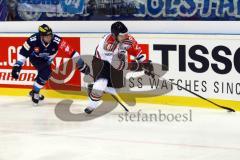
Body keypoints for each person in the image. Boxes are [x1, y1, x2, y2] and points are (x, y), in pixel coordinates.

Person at [85, 21, 154, 114]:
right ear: (114, 35)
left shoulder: (128, 39)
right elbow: (118, 65)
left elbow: (137, 52)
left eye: (126, 34)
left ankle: (95, 88)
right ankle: (91, 105)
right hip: (100, 62)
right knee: (101, 83)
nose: (125, 36)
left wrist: (145, 63)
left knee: (117, 87)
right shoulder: (107, 45)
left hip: (116, 61)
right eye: (122, 35)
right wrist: (139, 67)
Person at [11, 24, 90, 105]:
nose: (49, 38)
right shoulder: (32, 40)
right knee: (46, 73)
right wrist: (17, 66)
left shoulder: (56, 40)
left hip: (48, 60)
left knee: (44, 74)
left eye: (50, 35)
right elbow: (23, 53)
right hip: (35, 58)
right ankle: (35, 92)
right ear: (41, 36)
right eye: (47, 36)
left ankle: (34, 90)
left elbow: (71, 51)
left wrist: (81, 64)